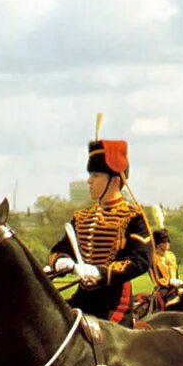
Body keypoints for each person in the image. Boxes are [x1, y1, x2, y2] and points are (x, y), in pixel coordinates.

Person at [49, 133, 152, 327]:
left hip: (114, 304)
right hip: (83, 299)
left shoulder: (133, 217)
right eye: (90, 175)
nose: (89, 181)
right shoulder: (81, 218)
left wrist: (98, 271)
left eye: (95, 175)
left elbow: (141, 260)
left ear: (113, 180)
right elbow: (59, 249)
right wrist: (61, 260)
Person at [149, 228, 183, 310]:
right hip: (163, 289)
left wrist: (179, 285)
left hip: (175, 286)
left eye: (168, 241)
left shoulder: (171, 255)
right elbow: (156, 278)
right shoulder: (153, 258)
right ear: (158, 244)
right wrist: (169, 282)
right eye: (164, 242)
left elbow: (176, 273)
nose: (167, 243)